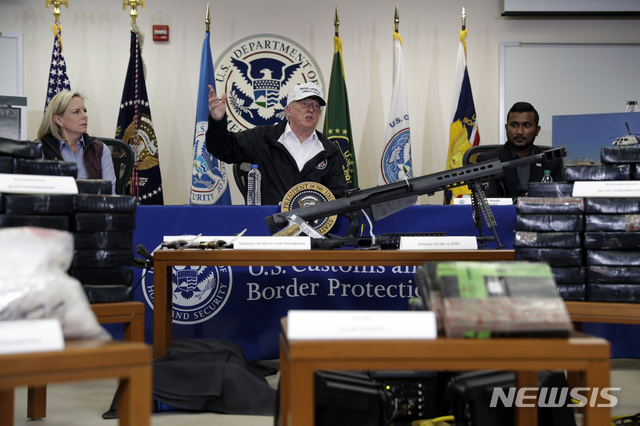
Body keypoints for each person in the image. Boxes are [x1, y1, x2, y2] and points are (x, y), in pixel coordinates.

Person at [206, 82, 348, 205]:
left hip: (313, 228)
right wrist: (217, 121)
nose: (311, 109)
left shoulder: (329, 150)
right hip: (269, 227)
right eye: (304, 103)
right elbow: (223, 148)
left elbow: (338, 196)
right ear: (289, 111)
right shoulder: (263, 137)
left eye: (316, 106)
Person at [476, 101, 563, 200]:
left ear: (537, 130)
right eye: (514, 125)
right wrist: (523, 201)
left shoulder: (551, 161)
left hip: (538, 214)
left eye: (527, 126)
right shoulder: (488, 161)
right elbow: (490, 201)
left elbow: (558, 198)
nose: (520, 132)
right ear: (506, 128)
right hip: (503, 215)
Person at [37, 90, 117, 194]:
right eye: (76, 112)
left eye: (85, 111)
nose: (85, 116)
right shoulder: (41, 150)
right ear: (58, 120)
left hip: (93, 208)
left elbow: (110, 194)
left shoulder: (99, 149)